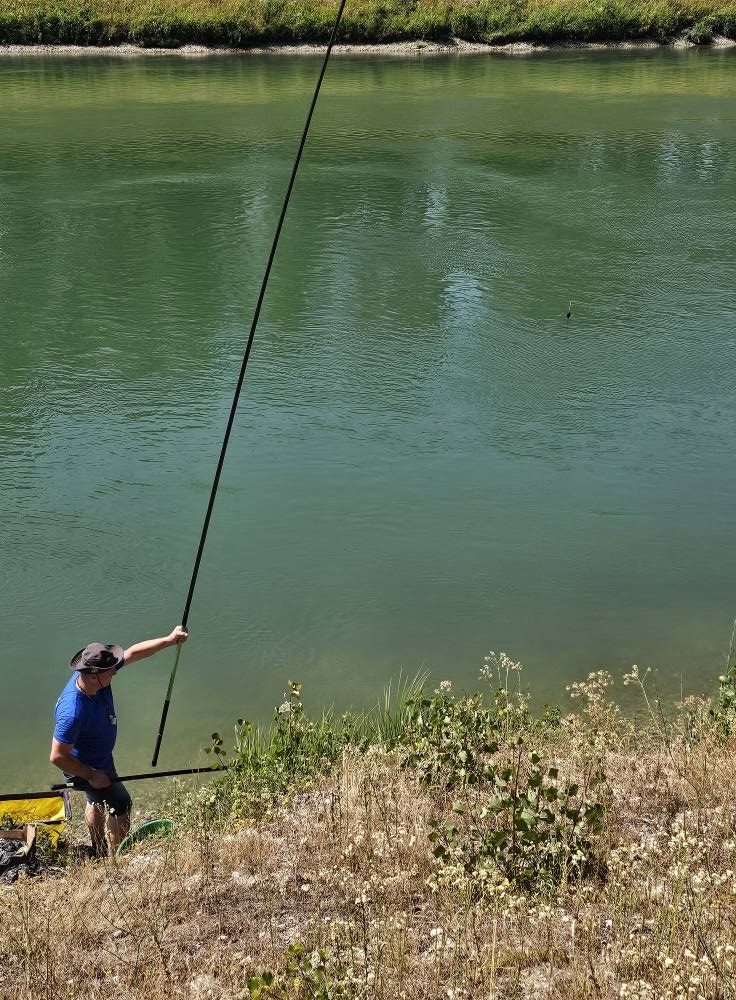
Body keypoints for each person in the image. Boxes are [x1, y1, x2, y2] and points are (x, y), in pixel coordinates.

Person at [50, 625, 188, 855]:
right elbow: (57, 756)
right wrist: (92, 775)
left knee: (95, 800)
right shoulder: (72, 712)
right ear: (93, 675)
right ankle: (117, 859)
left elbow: (133, 653)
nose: (115, 671)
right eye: (110, 671)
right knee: (121, 805)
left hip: (100, 758)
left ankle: (99, 849)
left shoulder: (94, 677)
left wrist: (170, 639)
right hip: (87, 766)